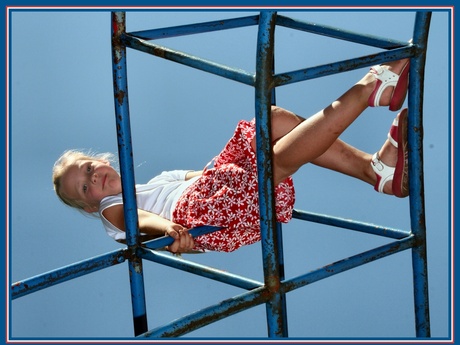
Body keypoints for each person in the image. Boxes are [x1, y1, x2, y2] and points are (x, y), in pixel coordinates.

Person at [52, 58, 410, 254]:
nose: (92, 179)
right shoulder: (108, 210)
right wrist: (170, 230)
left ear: (102, 160)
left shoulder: (160, 181)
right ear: (88, 205)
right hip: (191, 214)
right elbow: (137, 219)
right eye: (84, 188)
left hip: (204, 191)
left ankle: (375, 170)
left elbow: (203, 175)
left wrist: (232, 160)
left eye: (88, 168)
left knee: (273, 120)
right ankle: (367, 91)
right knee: (271, 167)